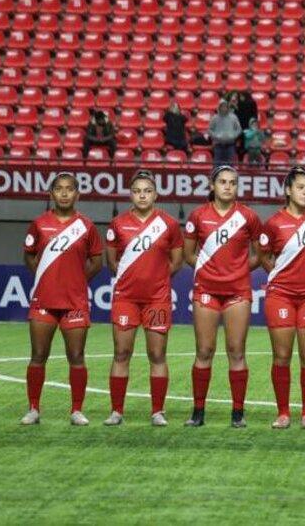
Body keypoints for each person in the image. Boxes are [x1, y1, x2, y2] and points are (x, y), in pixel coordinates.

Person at [19, 173, 104, 426]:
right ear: (51, 194)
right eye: (59, 189)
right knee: (38, 354)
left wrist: (76, 280)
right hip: (44, 300)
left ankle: (76, 410)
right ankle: (33, 409)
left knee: (77, 356)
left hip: (74, 302)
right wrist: (46, 278)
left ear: (77, 194)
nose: (64, 193)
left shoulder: (87, 226)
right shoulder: (39, 224)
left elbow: (97, 262)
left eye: (69, 189)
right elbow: (29, 256)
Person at [182, 166, 264, 428]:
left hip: (238, 292)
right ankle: (198, 412)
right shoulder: (198, 216)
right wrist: (210, 272)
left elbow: (258, 254)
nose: (228, 187)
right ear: (212, 185)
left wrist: (237, 272)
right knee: (204, 350)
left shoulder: (248, 217)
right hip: (205, 290)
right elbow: (188, 254)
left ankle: (238, 414)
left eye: (233, 183)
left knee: (236, 351)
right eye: (223, 182)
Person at [102, 171, 184, 427]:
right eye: (137, 191)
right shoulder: (118, 224)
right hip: (125, 298)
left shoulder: (169, 224)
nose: (142, 195)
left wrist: (156, 278)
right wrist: (130, 279)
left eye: (147, 191)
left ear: (155, 194)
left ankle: (157, 411)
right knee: (121, 353)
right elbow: (112, 261)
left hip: (157, 299)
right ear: (131, 194)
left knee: (157, 355)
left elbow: (177, 260)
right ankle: (116, 411)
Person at [259, 167, 305, 430]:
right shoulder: (274, 223)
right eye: (300, 187)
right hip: (281, 296)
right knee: (281, 355)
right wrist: (281, 276)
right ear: (288, 190)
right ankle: (283, 413)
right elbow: (264, 255)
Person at [209, 101, 241, 166]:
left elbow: (239, 129)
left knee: (230, 166)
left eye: (225, 106)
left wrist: (233, 136)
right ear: (219, 107)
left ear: (228, 107)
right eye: (222, 106)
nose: (224, 108)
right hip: (218, 145)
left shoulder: (233, 117)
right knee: (217, 166)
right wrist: (216, 136)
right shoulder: (214, 118)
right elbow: (210, 130)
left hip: (230, 145)